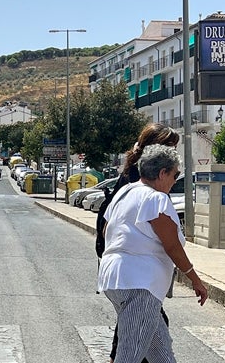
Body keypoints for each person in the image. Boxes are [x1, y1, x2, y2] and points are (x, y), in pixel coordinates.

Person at [98, 144, 208, 363]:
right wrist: (195, 280)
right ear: (162, 173)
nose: (175, 180)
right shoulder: (155, 199)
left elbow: (105, 229)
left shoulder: (124, 192)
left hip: (115, 278)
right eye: (175, 174)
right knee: (129, 355)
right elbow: (172, 246)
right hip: (140, 284)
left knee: (161, 354)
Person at [96, 123, 180, 363]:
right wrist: (193, 275)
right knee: (131, 342)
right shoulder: (144, 178)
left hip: (124, 268)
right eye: (171, 146)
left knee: (150, 336)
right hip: (136, 275)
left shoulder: (135, 172)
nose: (174, 152)